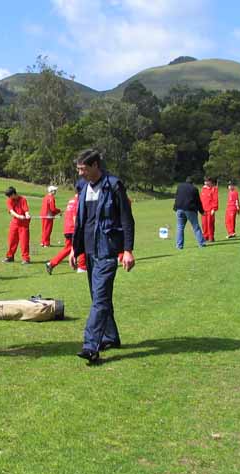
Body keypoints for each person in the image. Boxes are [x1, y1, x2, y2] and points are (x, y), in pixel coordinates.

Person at [70, 149, 135, 363]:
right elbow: (81, 222)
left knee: (99, 298)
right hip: (88, 251)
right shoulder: (82, 187)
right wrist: (74, 249)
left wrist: (127, 250)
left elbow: (127, 219)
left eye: (83, 169)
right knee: (100, 297)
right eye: (78, 169)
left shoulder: (114, 185)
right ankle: (111, 337)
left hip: (107, 250)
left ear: (96, 165)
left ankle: (90, 346)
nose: (80, 174)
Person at [46, 179, 87, 275]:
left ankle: (51, 263)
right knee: (82, 244)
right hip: (73, 228)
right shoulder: (79, 201)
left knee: (68, 249)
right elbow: (75, 217)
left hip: (67, 229)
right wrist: (79, 230)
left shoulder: (71, 200)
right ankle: (82, 267)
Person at [173, 176, 205, 249]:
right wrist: (201, 211)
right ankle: (201, 243)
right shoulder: (194, 189)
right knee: (196, 227)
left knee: (180, 227)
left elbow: (176, 197)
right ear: (192, 182)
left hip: (179, 209)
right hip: (190, 209)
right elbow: (198, 201)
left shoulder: (180, 186)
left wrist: (175, 208)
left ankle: (179, 245)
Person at [3, 186, 31, 264]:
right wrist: (19, 216)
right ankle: (10, 257)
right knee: (12, 240)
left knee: (24, 242)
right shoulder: (9, 200)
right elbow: (11, 211)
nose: (9, 198)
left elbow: (26, 210)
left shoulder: (23, 199)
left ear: (14, 194)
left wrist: (27, 215)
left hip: (24, 224)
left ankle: (26, 259)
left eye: (10, 196)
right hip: (15, 223)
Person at [200, 176, 218, 242]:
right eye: (205, 181)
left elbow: (215, 199)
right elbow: (201, 199)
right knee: (204, 224)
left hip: (210, 209)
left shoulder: (214, 189)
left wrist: (214, 208)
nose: (206, 182)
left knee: (210, 223)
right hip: (204, 209)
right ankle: (205, 236)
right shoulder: (203, 189)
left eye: (207, 181)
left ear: (210, 182)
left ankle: (211, 237)